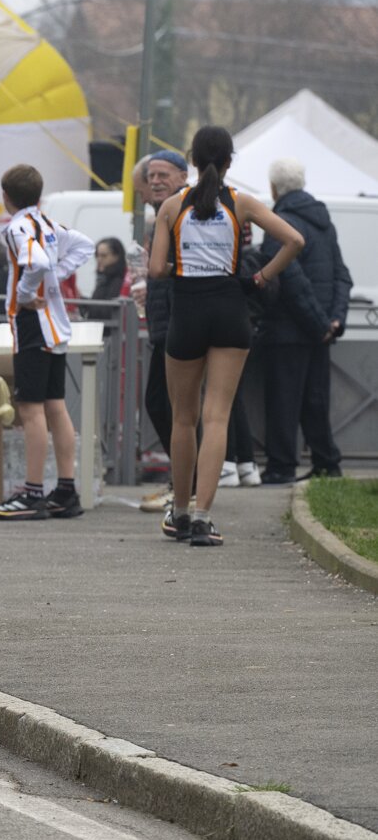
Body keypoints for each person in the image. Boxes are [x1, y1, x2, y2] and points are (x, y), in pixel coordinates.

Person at [148, 126, 303, 546]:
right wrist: (260, 278)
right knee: (217, 416)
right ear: (230, 161)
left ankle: (180, 512)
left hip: (187, 312)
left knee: (184, 418)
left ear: (192, 161)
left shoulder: (172, 206)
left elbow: (156, 269)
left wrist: (181, 263)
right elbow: (294, 240)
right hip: (231, 310)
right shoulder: (241, 203)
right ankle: (203, 518)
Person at [0, 164, 95, 522]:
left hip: (32, 324)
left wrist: (24, 293)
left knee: (31, 409)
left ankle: (32, 493)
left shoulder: (17, 227)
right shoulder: (47, 223)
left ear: (6, 197)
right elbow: (84, 246)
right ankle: (65, 490)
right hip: (54, 324)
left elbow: (35, 261)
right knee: (55, 406)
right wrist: (56, 276)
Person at [256, 156, 351, 484]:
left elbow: (291, 282)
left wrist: (319, 324)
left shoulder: (278, 225)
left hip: (288, 331)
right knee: (315, 400)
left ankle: (281, 467)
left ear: (273, 188)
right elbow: (342, 275)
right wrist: (334, 320)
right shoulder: (325, 223)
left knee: (283, 401)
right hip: (319, 332)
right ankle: (326, 462)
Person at [138, 150, 190, 515]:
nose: (155, 181)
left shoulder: (182, 213)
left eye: (163, 175)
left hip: (179, 323)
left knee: (170, 405)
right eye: (151, 176)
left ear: (183, 177)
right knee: (164, 404)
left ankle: (186, 486)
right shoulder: (160, 215)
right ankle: (183, 482)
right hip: (163, 324)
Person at [84, 236, 128, 321]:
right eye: (97, 255)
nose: (99, 259)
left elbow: (107, 310)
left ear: (117, 256)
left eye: (104, 256)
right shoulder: (103, 278)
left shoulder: (119, 281)